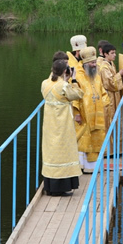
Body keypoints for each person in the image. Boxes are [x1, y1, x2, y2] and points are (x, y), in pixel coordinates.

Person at [40, 57, 84, 196]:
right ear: (65, 71)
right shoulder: (63, 86)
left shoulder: (44, 83)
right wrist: (74, 79)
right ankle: (62, 187)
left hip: (49, 124)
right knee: (64, 152)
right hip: (62, 124)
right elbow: (78, 94)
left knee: (51, 152)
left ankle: (50, 185)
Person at [73, 46, 110, 173]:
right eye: (92, 63)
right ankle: (82, 166)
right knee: (85, 139)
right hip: (84, 115)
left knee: (96, 138)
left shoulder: (97, 76)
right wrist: (76, 113)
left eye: (95, 62)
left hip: (97, 114)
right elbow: (74, 95)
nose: (94, 65)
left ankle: (93, 167)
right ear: (85, 63)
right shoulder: (78, 76)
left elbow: (103, 92)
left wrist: (105, 104)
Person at [99, 43, 123, 124]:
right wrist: (120, 74)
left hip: (115, 95)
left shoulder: (111, 64)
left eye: (115, 53)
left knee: (117, 115)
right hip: (109, 96)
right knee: (110, 117)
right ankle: (111, 136)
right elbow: (109, 83)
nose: (114, 55)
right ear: (105, 54)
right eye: (112, 53)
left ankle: (117, 136)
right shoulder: (104, 67)